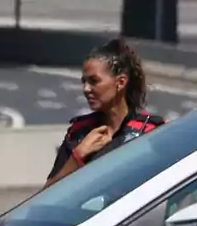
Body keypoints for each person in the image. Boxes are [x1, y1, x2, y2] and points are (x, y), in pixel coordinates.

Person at [44, 37, 166, 188]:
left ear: (120, 82)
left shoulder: (151, 132)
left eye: (94, 81)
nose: (86, 89)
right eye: (84, 81)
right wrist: (77, 157)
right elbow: (46, 194)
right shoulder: (78, 132)